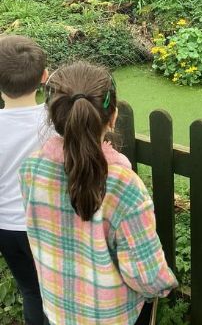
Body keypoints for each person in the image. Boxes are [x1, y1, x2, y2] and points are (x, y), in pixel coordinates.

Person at [19, 61, 177, 325]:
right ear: (113, 117)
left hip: (57, 311)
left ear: (52, 116)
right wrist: (163, 285)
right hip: (111, 316)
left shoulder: (32, 168)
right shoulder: (124, 186)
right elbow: (146, 275)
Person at [0, 35, 49, 325]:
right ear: (44, 76)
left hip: (6, 225)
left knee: (30, 290)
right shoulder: (55, 122)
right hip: (47, 224)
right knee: (56, 291)